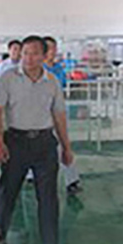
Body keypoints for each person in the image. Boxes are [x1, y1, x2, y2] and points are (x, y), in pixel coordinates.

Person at [0, 35, 75, 244]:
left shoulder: (52, 82)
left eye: (34, 53)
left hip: (44, 144)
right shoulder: (8, 78)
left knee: (48, 199)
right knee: (9, 192)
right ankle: (1, 228)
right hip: (15, 143)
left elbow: (59, 115)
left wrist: (66, 147)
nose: (28, 58)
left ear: (44, 55)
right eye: (25, 53)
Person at [44, 36, 83, 195]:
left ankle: (72, 181)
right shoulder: (36, 69)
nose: (53, 51)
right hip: (38, 113)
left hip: (57, 111)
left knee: (64, 144)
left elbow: (62, 87)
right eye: (50, 48)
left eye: (55, 48)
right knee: (35, 146)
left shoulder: (58, 69)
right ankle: (30, 175)